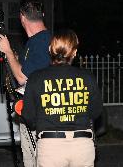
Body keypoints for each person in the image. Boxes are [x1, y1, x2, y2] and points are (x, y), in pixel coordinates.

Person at [21, 29, 103, 167]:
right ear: (74, 52)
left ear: (49, 49)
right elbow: (96, 112)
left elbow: (28, 116)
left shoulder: (36, 78)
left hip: (50, 147)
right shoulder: (88, 77)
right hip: (82, 147)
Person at [0, 0, 51, 167]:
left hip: (41, 116)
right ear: (42, 14)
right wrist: (7, 51)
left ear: (22, 17)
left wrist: (8, 52)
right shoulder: (34, 42)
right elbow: (25, 67)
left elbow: (22, 77)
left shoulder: (43, 41)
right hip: (30, 112)